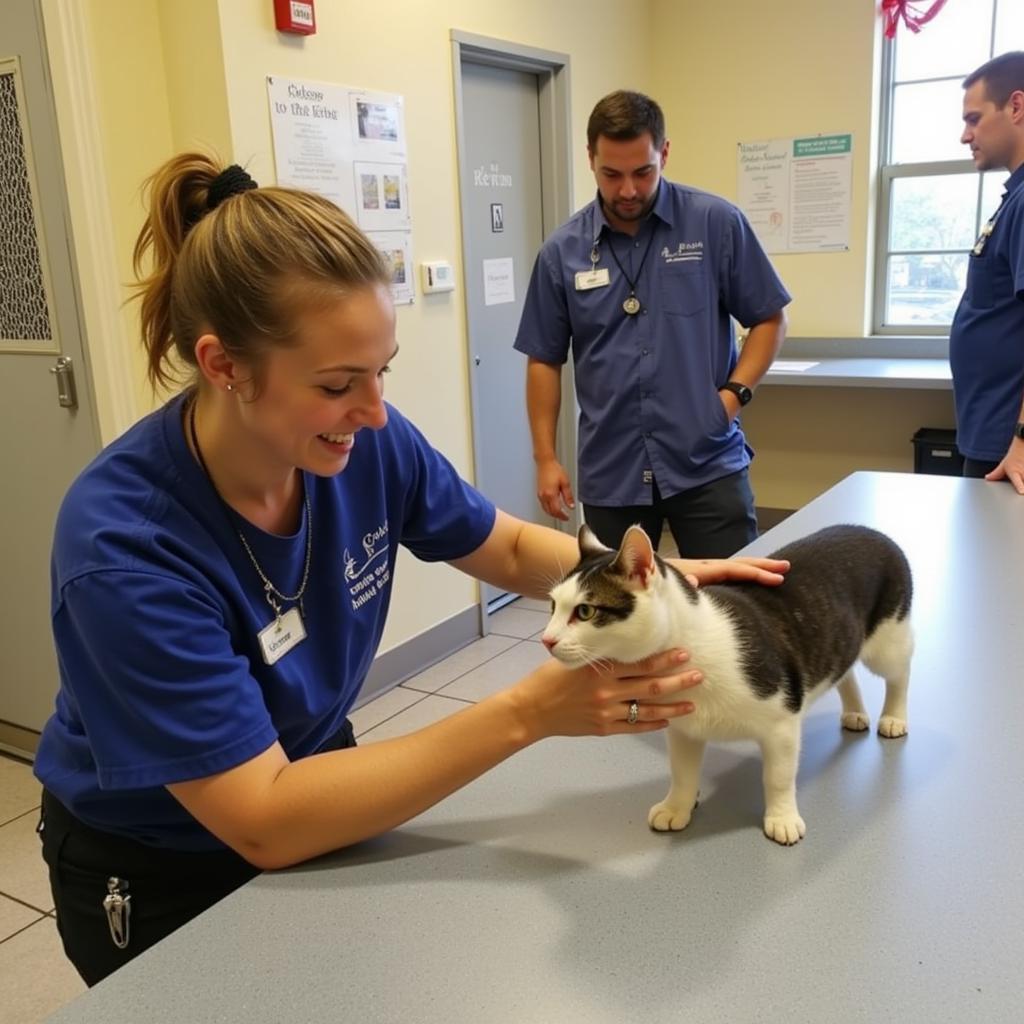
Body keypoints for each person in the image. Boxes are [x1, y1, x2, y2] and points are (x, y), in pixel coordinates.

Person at [33, 153, 790, 987]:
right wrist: (530, 712)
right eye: (337, 383)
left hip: (319, 770)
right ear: (223, 367)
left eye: (382, 370)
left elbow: (502, 547)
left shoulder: (365, 445)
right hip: (162, 863)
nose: (375, 412)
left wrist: (660, 586)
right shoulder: (125, 548)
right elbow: (263, 820)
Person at [514, 90, 791, 557]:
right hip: (612, 471)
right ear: (590, 159)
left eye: (643, 172)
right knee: (623, 619)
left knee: (732, 608)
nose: (628, 190)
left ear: (664, 152)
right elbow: (543, 358)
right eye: (612, 174)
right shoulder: (561, 252)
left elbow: (769, 317)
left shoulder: (715, 223)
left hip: (706, 461)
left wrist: (733, 397)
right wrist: (545, 458)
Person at [950, 52, 1024, 494]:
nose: (965, 136)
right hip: (994, 433)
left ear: (1017, 107)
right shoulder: (1014, 197)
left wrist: (1021, 437)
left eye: (974, 119)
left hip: (1009, 447)